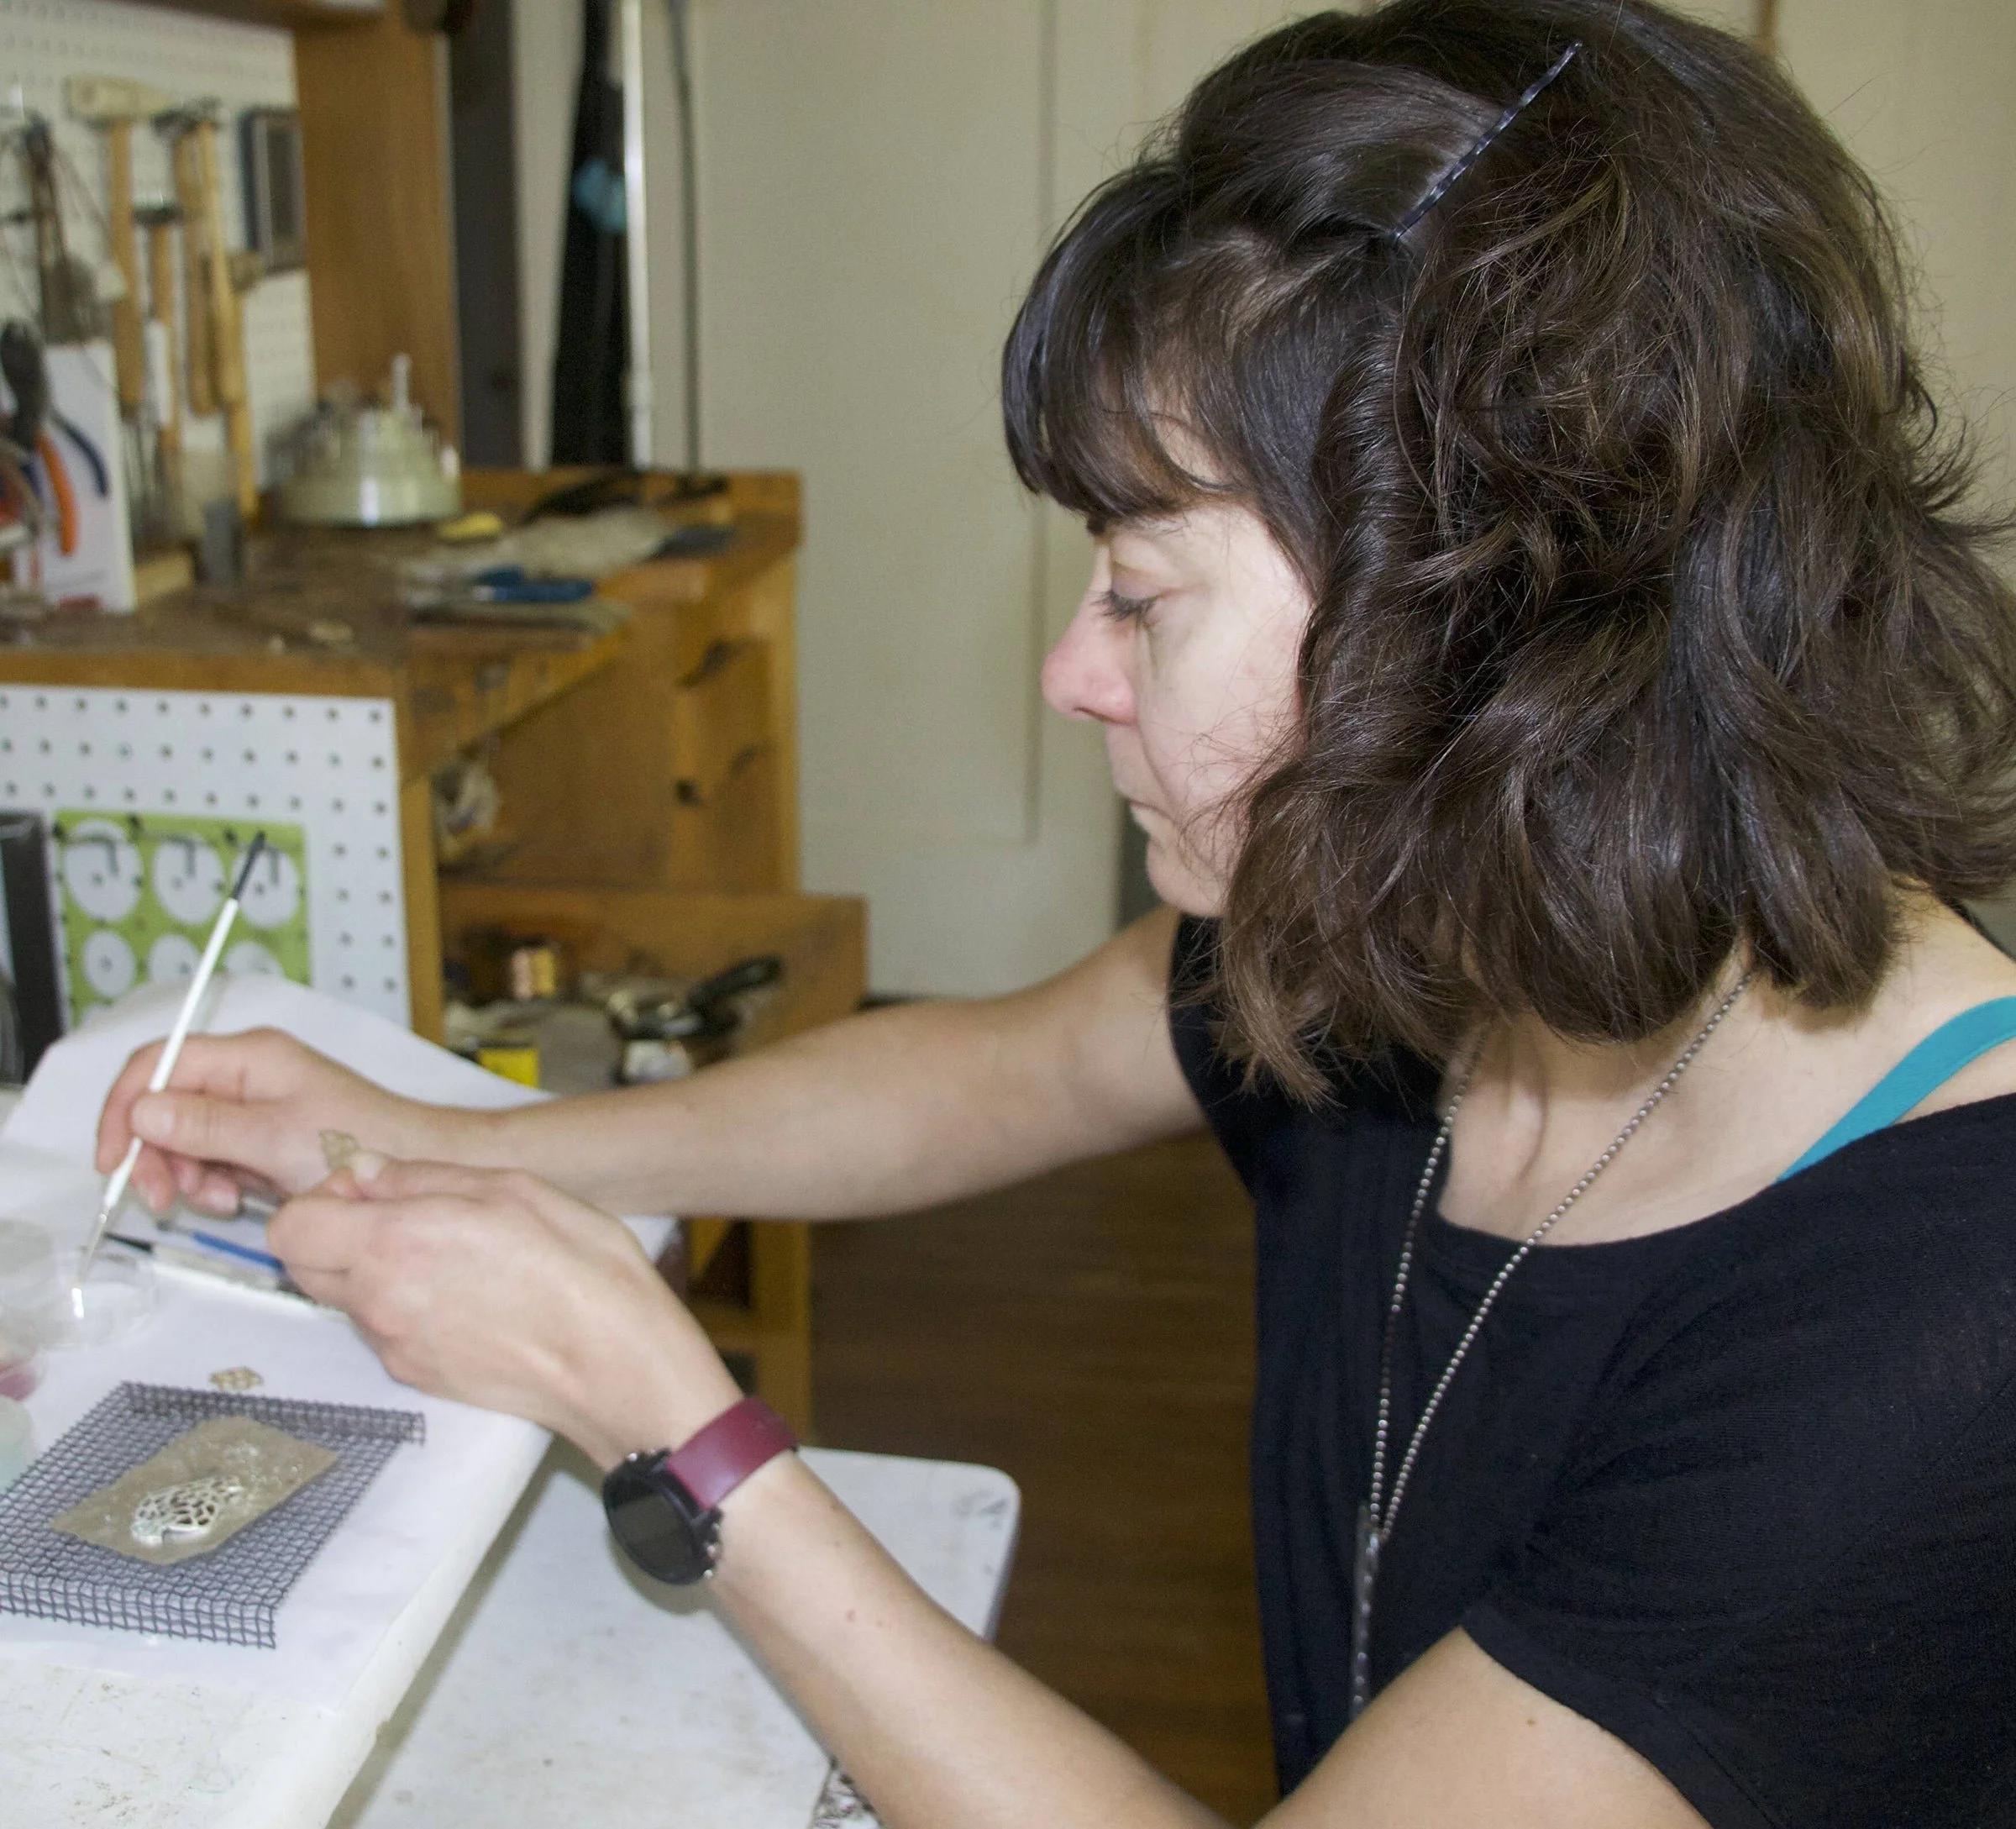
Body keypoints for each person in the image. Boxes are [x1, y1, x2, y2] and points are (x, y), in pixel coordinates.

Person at [95, 2, 2016, 1821]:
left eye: (1145, 594)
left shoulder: (1932, 1321)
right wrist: (439, 1139)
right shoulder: (1450, 901)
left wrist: (678, 1420)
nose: (1073, 670)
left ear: (1482, 616)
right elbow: (1001, 1070)